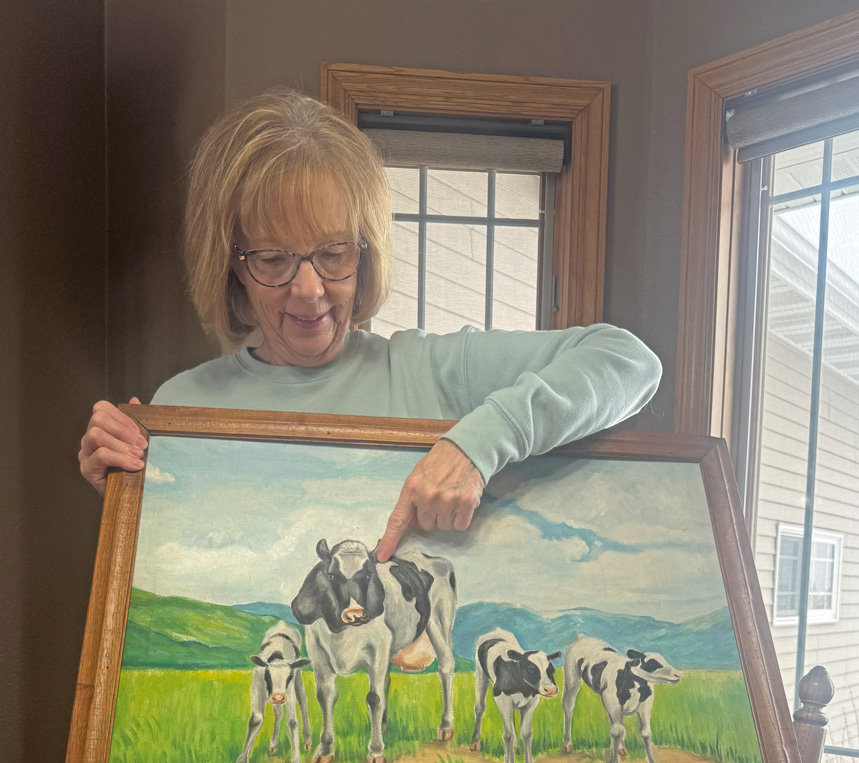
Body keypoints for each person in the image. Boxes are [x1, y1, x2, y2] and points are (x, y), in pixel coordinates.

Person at [79, 89, 661, 562]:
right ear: (231, 265)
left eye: (334, 253)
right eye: (274, 259)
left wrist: (480, 443)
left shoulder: (432, 370)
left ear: (367, 252)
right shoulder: (181, 408)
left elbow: (628, 361)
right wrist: (131, 503)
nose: (310, 290)